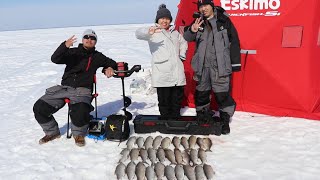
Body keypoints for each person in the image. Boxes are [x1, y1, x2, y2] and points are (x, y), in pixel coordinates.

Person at [33, 29, 117, 146]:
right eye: (87, 37)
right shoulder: (73, 52)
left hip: (82, 91)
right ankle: (52, 132)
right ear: (82, 39)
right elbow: (55, 59)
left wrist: (108, 68)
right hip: (64, 88)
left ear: (95, 42)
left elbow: (114, 64)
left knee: (80, 111)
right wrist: (64, 46)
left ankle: (79, 134)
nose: (89, 40)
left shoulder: (97, 56)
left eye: (93, 38)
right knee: (39, 108)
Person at [183, 0, 241, 134]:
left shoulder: (223, 20)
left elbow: (235, 41)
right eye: (201, 6)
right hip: (202, 66)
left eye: (206, 5)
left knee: (222, 94)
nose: (203, 9)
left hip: (219, 65)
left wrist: (235, 64)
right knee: (202, 93)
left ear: (212, 6)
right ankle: (203, 115)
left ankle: (225, 118)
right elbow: (187, 36)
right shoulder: (198, 21)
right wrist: (192, 29)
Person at [135, 4, 188, 120]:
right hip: (162, 72)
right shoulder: (153, 32)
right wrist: (148, 31)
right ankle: (165, 122)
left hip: (177, 71)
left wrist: (182, 55)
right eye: (162, 18)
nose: (165, 21)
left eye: (167, 18)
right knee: (164, 100)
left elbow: (183, 42)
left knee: (176, 99)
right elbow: (138, 34)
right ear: (157, 20)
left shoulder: (175, 32)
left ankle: (175, 119)